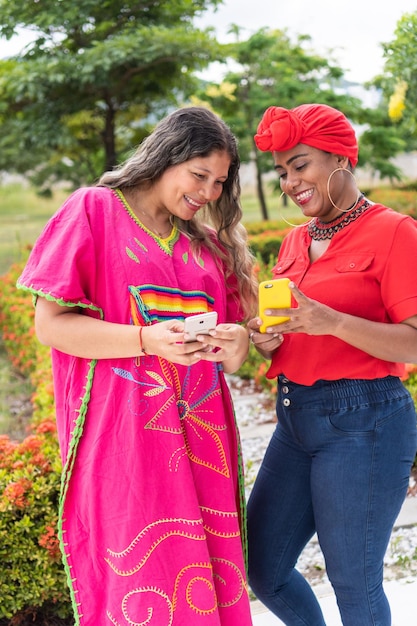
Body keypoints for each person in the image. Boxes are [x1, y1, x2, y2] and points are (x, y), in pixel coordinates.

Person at [17, 106, 258, 626]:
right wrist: (146, 339)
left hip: (204, 446)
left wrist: (237, 345)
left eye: (220, 183)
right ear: (166, 156)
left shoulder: (207, 245)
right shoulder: (94, 210)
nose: (209, 193)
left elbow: (238, 348)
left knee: (207, 586)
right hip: (124, 445)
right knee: (140, 586)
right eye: (199, 176)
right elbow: (51, 324)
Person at [246, 103, 417, 626]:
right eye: (281, 173)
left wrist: (333, 322)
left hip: (365, 422)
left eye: (301, 165)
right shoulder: (298, 239)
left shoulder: (396, 232)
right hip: (296, 417)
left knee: (352, 583)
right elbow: (295, 326)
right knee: (262, 566)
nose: (290, 182)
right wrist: (266, 340)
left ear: (341, 159)